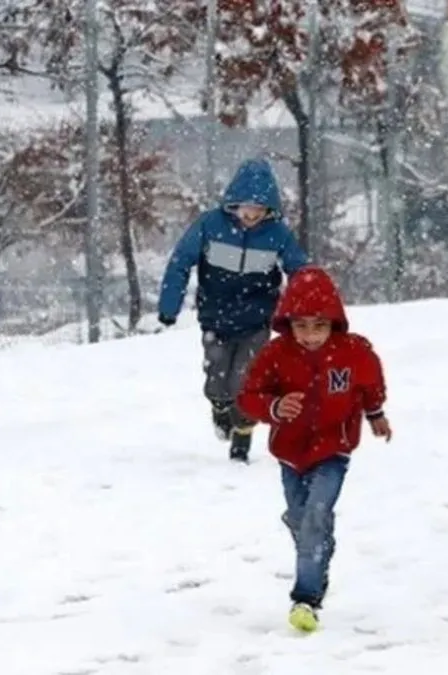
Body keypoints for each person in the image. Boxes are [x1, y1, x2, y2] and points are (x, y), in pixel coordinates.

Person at [236, 266, 391, 633]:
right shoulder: (276, 354)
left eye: (319, 326)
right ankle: (317, 545)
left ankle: (305, 598)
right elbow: (249, 396)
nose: (309, 336)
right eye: (301, 326)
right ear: (287, 323)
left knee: (316, 514)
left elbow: (371, 382)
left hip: (334, 448)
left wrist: (376, 413)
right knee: (300, 517)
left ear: (334, 323)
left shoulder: (353, 352)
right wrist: (274, 407)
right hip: (290, 452)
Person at [158, 158, 309, 462]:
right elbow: (180, 262)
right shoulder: (210, 226)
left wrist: (307, 308)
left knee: (247, 379)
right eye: (247, 208)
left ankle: (243, 432)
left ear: (270, 209)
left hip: (256, 320)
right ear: (233, 204)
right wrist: (169, 305)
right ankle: (219, 407)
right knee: (218, 377)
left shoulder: (277, 234)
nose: (252, 215)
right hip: (216, 316)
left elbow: (300, 271)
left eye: (260, 209)